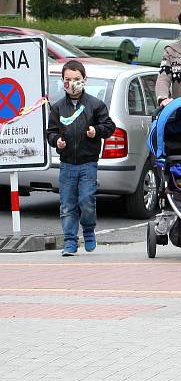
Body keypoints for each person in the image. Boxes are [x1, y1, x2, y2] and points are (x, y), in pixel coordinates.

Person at [46, 60, 116, 256]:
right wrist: (56, 140)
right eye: (68, 80)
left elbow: (109, 126)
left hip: (88, 163)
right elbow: (50, 132)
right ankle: (69, 241)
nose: (72, 83)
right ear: (63, 82)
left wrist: (97, 130)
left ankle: (88, 230)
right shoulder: (58, 107)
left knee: (86, 200)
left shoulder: (95, 105)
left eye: (77, 79)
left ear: (85, 80)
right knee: (67, 203)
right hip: (67, 163)